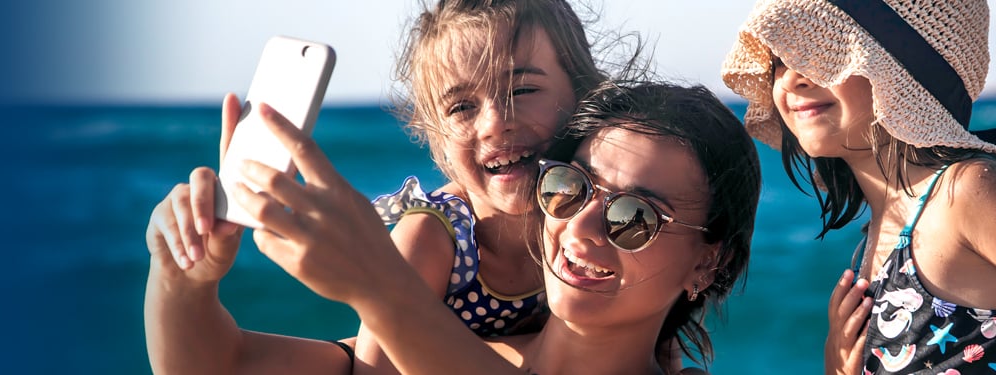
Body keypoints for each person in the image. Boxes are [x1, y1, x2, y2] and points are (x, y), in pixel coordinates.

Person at [145, 0, 608, 373]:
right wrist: (182, 280)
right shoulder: (434, 238)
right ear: (436, 139)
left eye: (522, 90)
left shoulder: (611, 219)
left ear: (585, 94)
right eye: (461, 107)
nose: (494, 124)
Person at [228, 80, 760, 374]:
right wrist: (187, 274)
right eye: (570, 187)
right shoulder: (465, 347)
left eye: (634, 217)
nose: (582, 227)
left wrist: (380, 289)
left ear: (708, 261)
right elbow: (217, 363)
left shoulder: (427, 349)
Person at [720, 0, 996, 373]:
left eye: (822, 53)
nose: (791, 78)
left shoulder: (963, 193)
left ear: (904, 69)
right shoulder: (877, 235)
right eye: (781, 59)